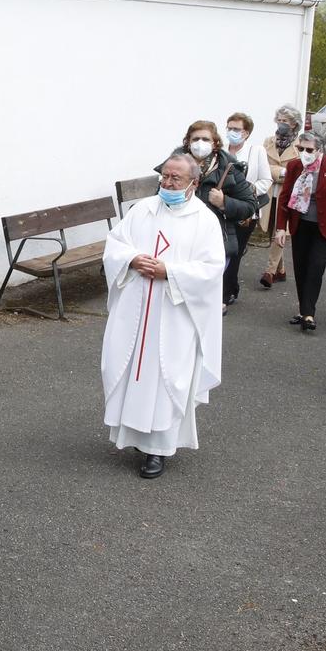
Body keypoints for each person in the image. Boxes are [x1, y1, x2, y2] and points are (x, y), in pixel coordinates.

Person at [98, 151, 225, 480]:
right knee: (134, 371)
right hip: (136, 311)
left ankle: (158, 449)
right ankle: (135, 439)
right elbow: (115, 244)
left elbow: (211, 270)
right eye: (165, 177)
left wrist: (169, 270)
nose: (167, 183)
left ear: (193, 183)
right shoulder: (143, 210)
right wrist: (131, 260)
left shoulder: (204, 220)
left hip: (175, 316)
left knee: (167, 376)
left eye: (176, 179)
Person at [277, 123, 326, 334]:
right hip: (301, 224)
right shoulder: (294, 167)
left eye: (309, 150)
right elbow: (285, 197)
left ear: (319, 150)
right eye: (301, 149)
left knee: (315, 267)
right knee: (300, 267)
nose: (304, 153)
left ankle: (309, 313)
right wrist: (281, 228)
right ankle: (304, 310)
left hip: (325, 227)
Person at [182, 120, 259, 306]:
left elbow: (250, 205)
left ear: (215, 142)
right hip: (182, 240)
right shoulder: (176, 166)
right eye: (196, 139)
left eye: (205, 139)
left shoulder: (229, 169)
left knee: (206, 298)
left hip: (215, 241)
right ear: (188, 142)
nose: (200, 143)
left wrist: (225, 202)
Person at [223, 111, 272, 303]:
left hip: (244, 211)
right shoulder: (221, 150)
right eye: (230, 128)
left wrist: (249, 190)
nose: (232, 132)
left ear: (246, 133)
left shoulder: (256, 151)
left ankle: (226, 294)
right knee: (222, 251)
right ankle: (230, 287)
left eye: (237, 129)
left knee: (235, 251)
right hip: (222, 208)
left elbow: (266, 180)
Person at [258, 105, 304, 289]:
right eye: (279, 120)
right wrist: (283, 172)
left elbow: (300, 171)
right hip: (270, 193)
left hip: (289, 195)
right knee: (271, 231)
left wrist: (277, 172)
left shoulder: (301, 144)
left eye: (285, 121)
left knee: (280, 232)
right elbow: (262, 166)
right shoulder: (268, 142)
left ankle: (269, 272)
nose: (281, 124)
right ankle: (281, 270)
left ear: (294, 124)